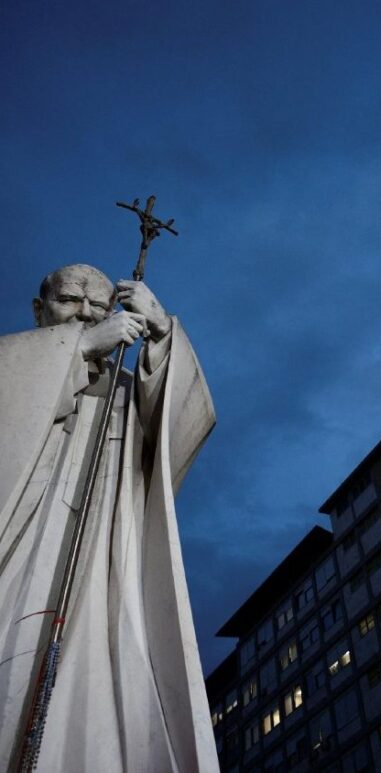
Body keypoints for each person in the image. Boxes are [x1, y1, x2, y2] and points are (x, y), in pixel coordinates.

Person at [0, 264, 218, 771]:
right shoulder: (14, 364)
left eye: (99, 306)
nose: (85, 314)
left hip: (98, 556)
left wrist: (162, 333)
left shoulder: (126, 393)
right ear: (39, 309)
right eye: (69, 301)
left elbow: (186, 424)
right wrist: (76, 350)